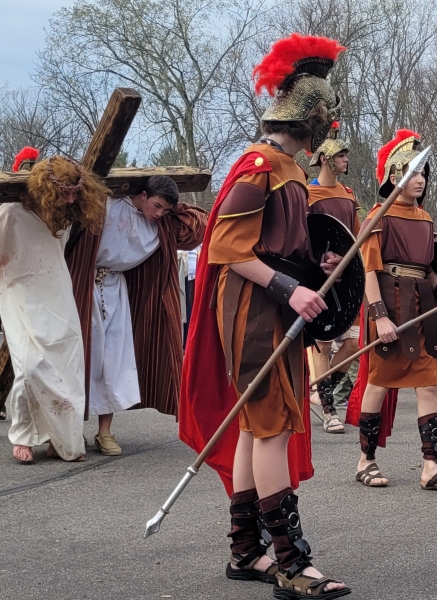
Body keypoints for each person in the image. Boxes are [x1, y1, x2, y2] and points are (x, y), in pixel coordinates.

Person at [179, 34, 350, 598]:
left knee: (257, 427)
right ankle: (291, 565)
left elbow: (280, 243)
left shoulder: (287, 169)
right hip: (254, 311)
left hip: (270, 306)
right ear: (313, 119)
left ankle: (245, 550)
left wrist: (314, 261)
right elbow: (227, 246)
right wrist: (290, 288)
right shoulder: (260, 166)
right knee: (271, 425)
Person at [346, 128, 437, 493]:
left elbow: (427, 267)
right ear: (395, 176)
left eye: (424, 174)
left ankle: (431, 466)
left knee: (429, 384)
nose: (421, 180)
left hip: (423, 311)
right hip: (389, 308)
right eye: (414, 173)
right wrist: (380, 315)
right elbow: (368, 270)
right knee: (379, 383)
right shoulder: (377, 217)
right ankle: (365, 460)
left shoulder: (425, 218)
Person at [68, 176, 207, 456]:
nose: (159, 214)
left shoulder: (162, 223)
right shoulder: (105, 204)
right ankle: (68, 430)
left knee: (113, 359)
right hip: (82, 285)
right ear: (142, 195)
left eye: (165, 210)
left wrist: (173, 210)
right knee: (79, 357)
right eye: (156, 205)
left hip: (117, 288)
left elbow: (198, 226)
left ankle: (104, 431)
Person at [0, 154, 108, 463]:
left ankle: (60, 436)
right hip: (20, 292)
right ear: (45, 188)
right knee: (30, 366)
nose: (72, 198)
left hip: (57, 290)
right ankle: (23, 434)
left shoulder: (60, 215)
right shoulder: (10, 212)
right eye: (65, 192)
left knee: (67, 364)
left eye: (75, 192)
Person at [306, 121, 361, 433]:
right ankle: (328, 408)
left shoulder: (348, 194)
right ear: (326, 159)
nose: (346, 160)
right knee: (322, 346)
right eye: (341, 155)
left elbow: (354, 236)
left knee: (353, 344)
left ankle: (321, 387)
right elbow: (304, 238)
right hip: (321, 276)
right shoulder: (309, 194)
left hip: (348, 277)